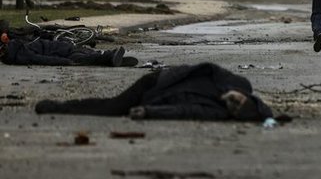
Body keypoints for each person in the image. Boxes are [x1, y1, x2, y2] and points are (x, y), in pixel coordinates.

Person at [34, 62, 274, 121]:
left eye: (234, 108)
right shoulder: (238, 82)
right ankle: (58, 107)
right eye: (239, 101)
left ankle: (58, 107)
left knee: (114, 108)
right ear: (246, 96)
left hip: (156, 96)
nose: (232, 102)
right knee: (113, 107)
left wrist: (149, 112)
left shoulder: (217, 112)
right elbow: (208, 67)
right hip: (158, 81)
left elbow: (184, 111)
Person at [1, 36, 136, 67]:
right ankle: (111, 59)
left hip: (63, 53)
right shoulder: (17, 45)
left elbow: (42, 59)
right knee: (86, 54)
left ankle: (109, 56)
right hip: (64, 47)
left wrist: (65, 62)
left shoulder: (19, 55)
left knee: (81, 59)